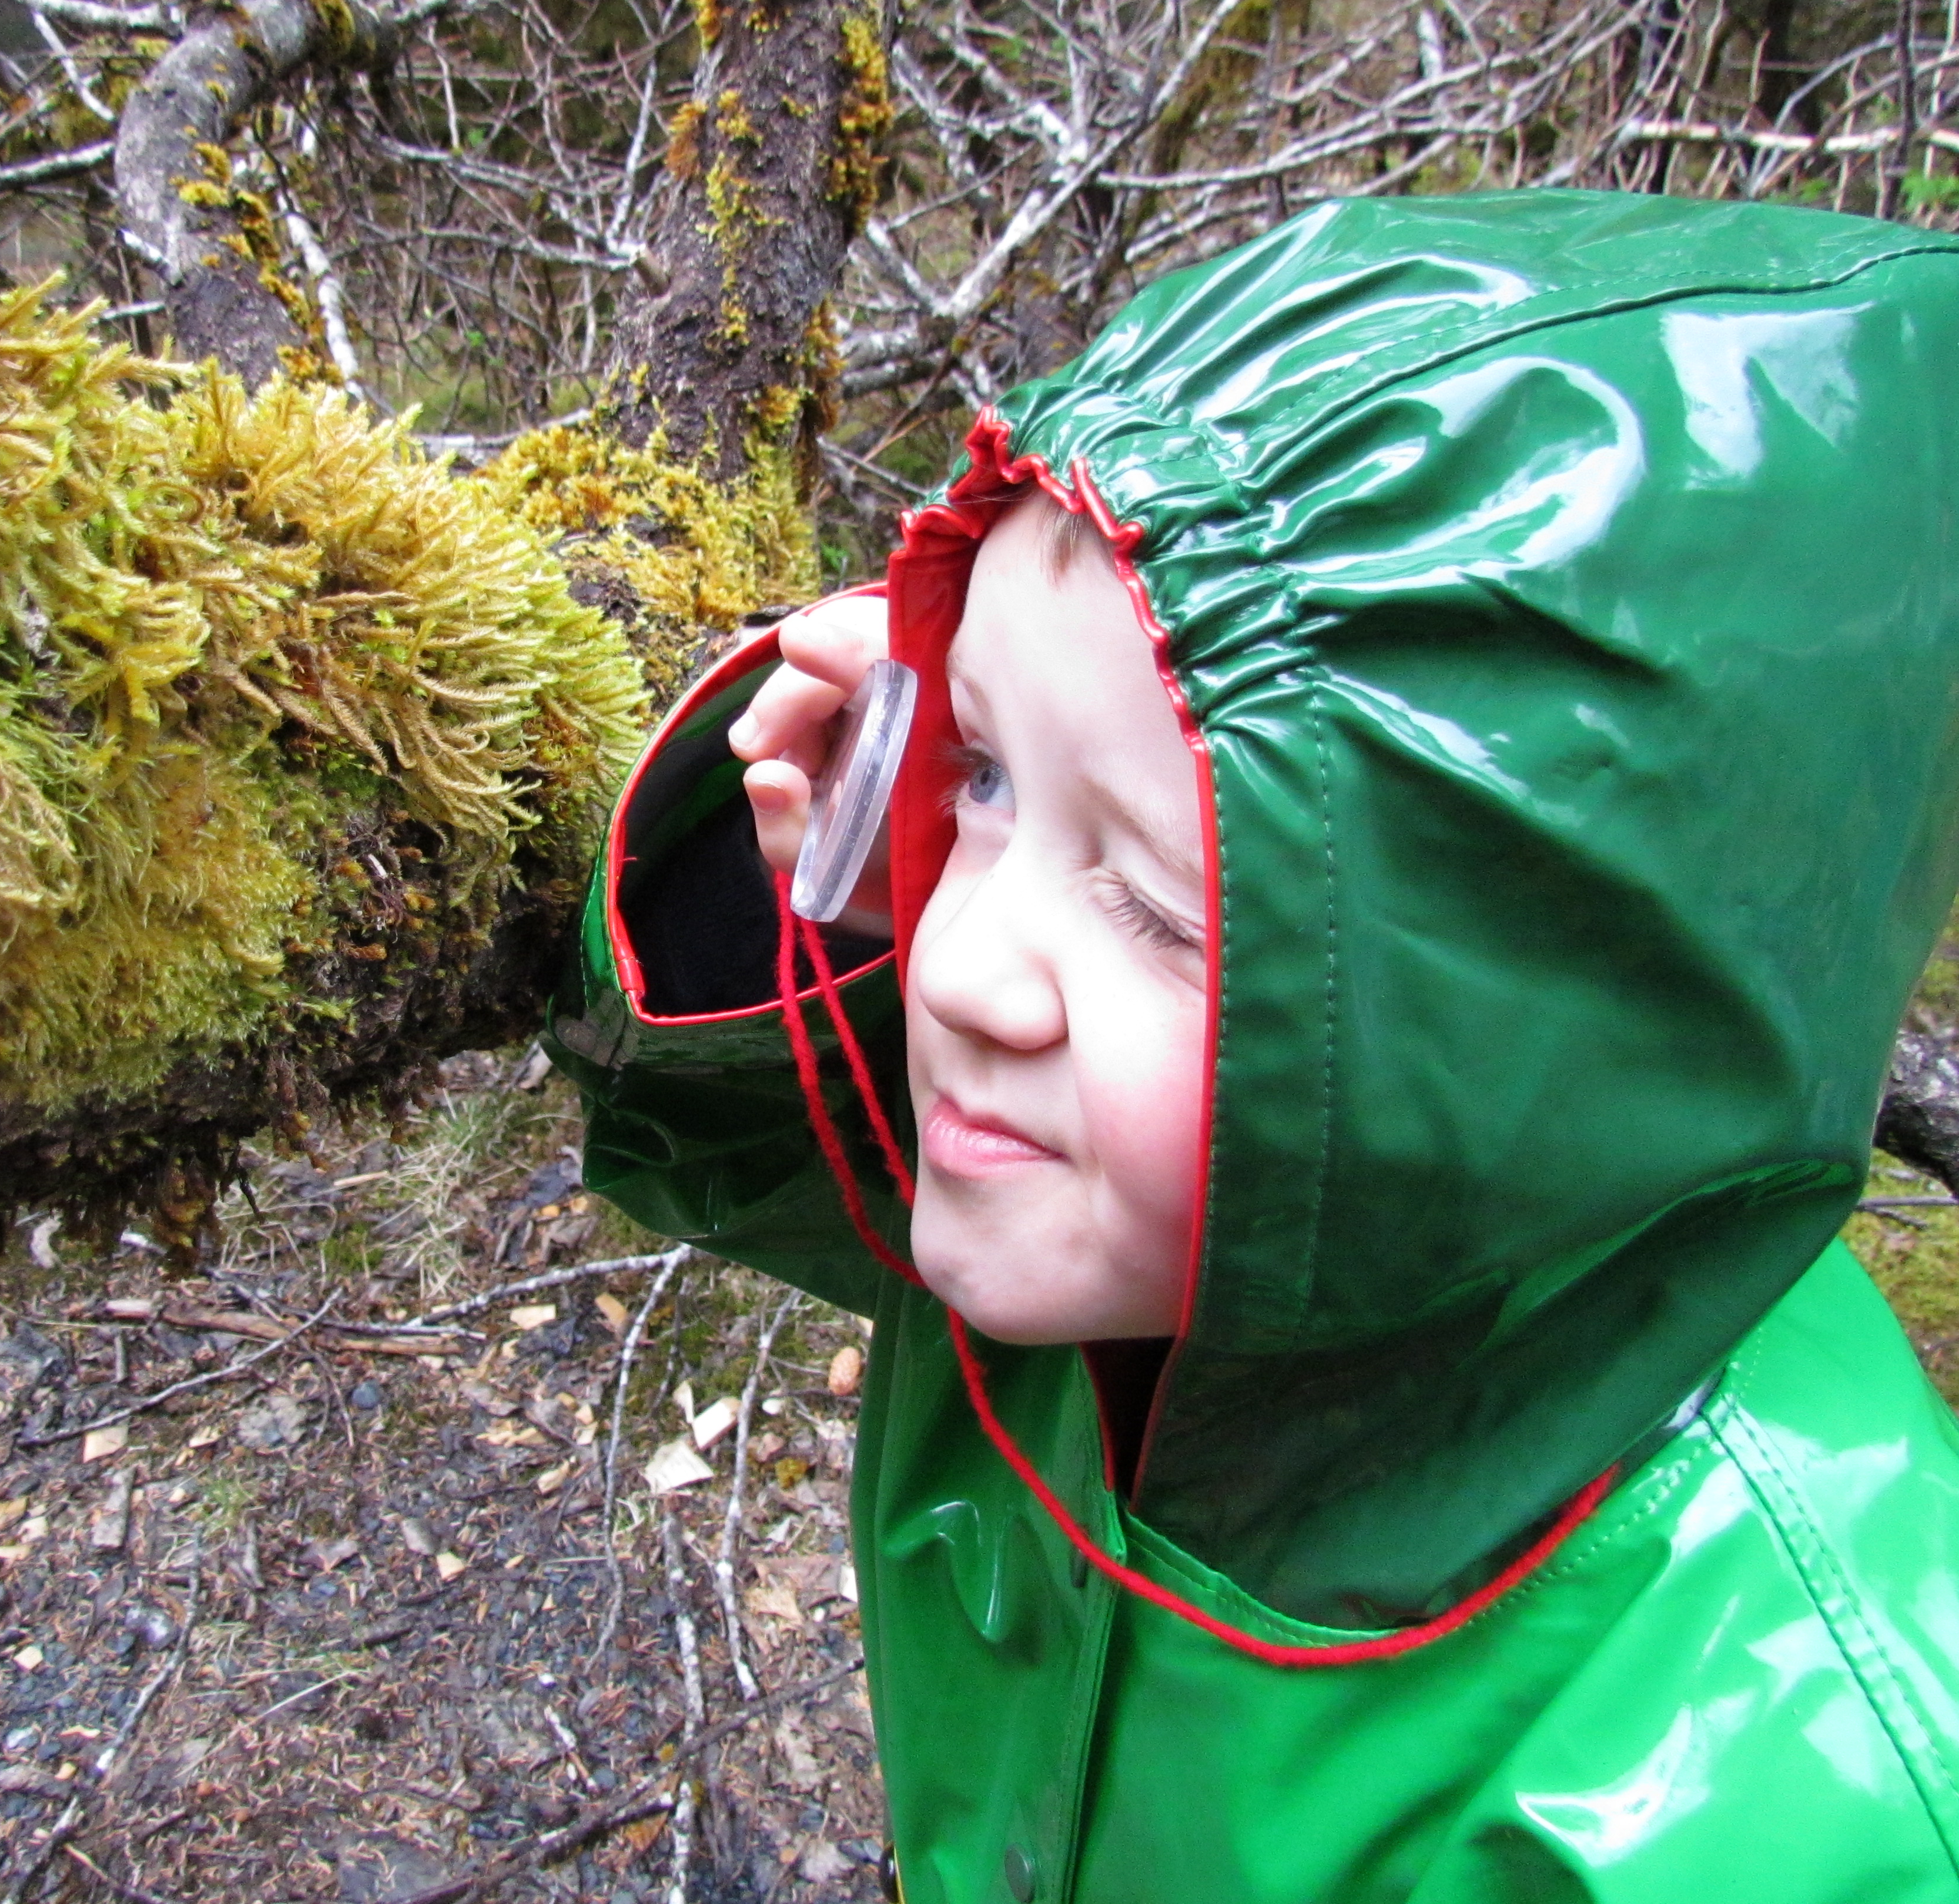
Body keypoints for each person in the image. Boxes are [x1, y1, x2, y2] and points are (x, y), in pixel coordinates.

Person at [545, 189, 1959, 1902]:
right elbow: (790, 1150)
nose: (965, 966)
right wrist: (829, 879)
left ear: (1506, 1030)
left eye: (1156, 908)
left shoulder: (1786, 1798)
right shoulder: (1119, 1207)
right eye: (979, 777)